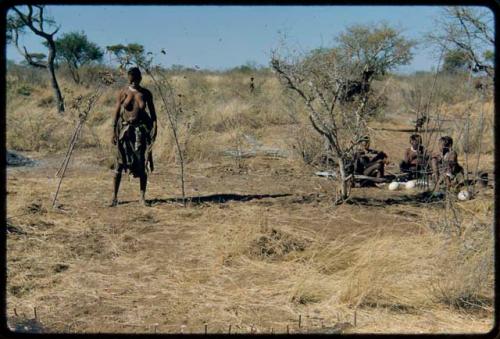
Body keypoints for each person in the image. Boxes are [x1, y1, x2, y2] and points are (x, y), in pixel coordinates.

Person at [110, 67, 157, 207]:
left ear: (140, 78)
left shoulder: (146, 93)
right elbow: (117, 113)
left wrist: (155, 130)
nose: (134, 82)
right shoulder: (123, 92)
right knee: (119, 164)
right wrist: (113, 131)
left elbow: (153, 115)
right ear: (128, 79)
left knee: (142, 163)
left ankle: (142, 197)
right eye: (131, 79)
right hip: (124, 132)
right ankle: (114, 197)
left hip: (140, 132)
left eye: (136, 79)